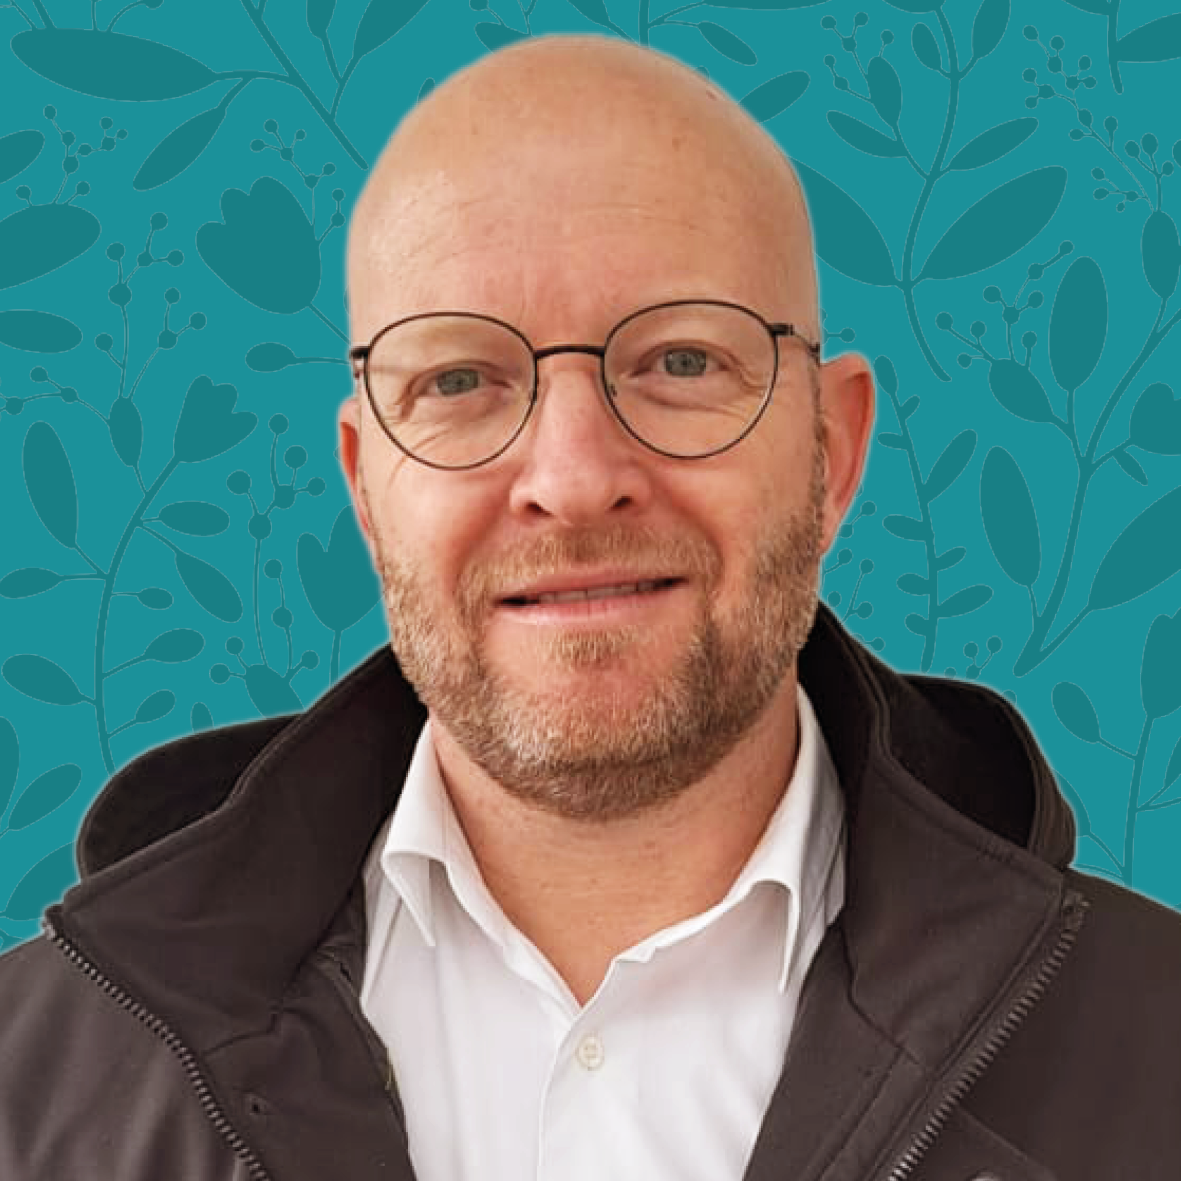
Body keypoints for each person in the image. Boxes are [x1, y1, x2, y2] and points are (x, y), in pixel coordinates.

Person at [1, 33, 1179, 1181]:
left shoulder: (1155, 1044)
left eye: (680, 362)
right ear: (365, 483)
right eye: (458, 379)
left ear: (831, 447)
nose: (570, 479)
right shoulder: (27, 1091)